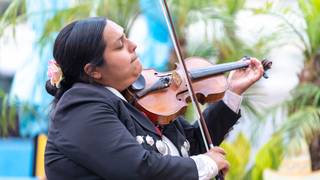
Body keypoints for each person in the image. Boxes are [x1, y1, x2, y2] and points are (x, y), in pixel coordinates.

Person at [44, 17, 264, 180]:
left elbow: (193, 144)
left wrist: (232, 92)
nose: (133, 45)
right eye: (120, 45)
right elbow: (137, 169)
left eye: (126, 37)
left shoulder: (140, 98)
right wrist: (205, 164)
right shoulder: (80, 105)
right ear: (93, 71)